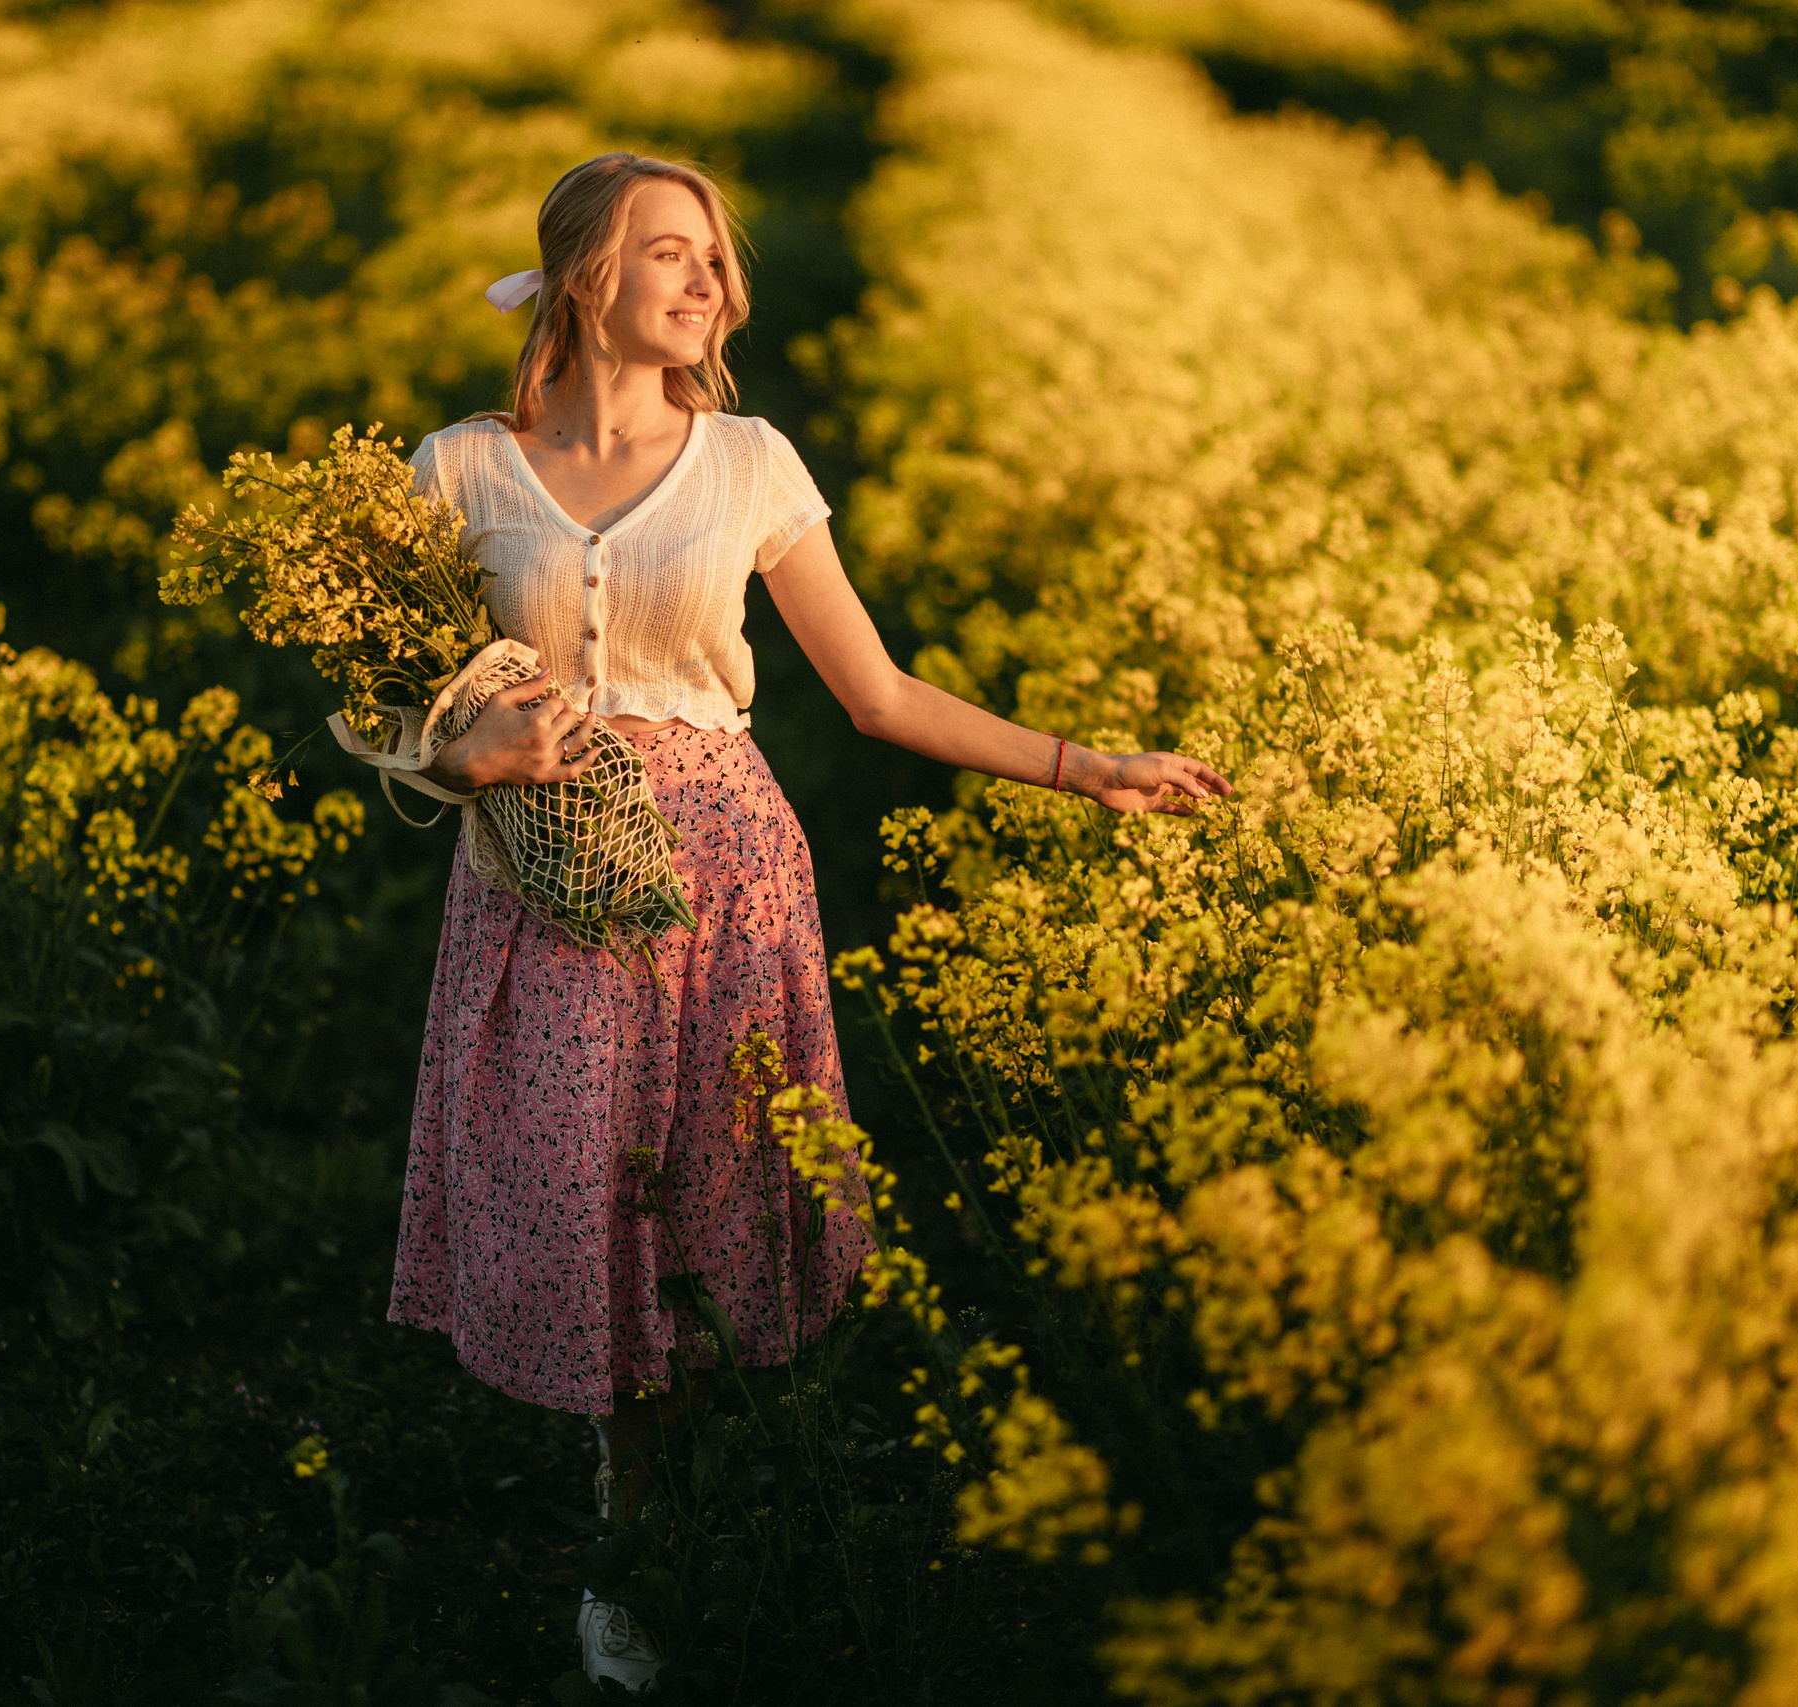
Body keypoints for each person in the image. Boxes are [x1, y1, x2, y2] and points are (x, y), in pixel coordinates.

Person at [383, 151, 1233, 1691]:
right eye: (672, 252)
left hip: (725, 877)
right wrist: (462, 756)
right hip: (543, 874)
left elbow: (879, 694)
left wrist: (1088, 767)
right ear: (585, 275)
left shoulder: (750, 463)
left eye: (714, 256)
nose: (709, 280)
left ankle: (667, 1525)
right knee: (580, 1186)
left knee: (702, 1193)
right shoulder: (456, 472)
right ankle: (632, 1520)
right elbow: (382, 708)